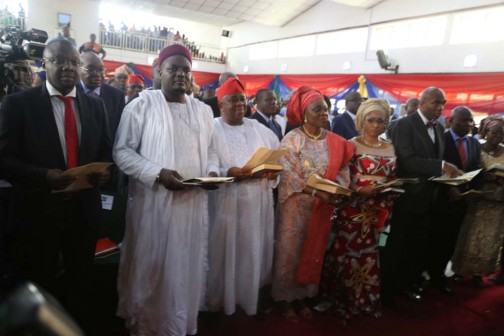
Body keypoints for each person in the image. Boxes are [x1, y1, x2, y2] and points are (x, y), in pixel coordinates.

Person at [0, 38, 111, 330]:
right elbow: (4, 159)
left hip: (83, 212)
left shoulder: (95, 106)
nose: (68, 67)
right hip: (37, 212)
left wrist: (104, 174)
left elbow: (104, 151)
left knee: (80, 283)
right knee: (40, 285)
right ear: (44, 64)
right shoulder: (18, 104)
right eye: (59, 61)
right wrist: (42, 176)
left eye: (74, 62)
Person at [113, 44, 218, 336]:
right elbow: (122, 152)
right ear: (159, 72)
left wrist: (211, 174)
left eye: (186, 69)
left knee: (185, 266)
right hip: (155, 203)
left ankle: (180, 324)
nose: (181, 74)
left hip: (192, 206)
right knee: (154, 265)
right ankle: (148, 326)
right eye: (173, 69)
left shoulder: (204, 111)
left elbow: (211, 152)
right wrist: (157, 174)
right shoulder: (141, 105)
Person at [272, 86, 354, 322]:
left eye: (326, 109)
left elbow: (342, 169)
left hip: (322, 207)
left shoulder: (334, 141)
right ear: (304, 113)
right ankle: (286, 299)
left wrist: (337, 189)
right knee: (291, 252)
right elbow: (287, 174)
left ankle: (305, 296)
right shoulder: (293, 139)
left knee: (315, 250)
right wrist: (316, 191)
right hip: (296, 207)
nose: (324, 113)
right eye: (317, 109)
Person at [381, 87, 462, 307]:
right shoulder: (404, 125)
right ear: (423, 102)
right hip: (407, 198)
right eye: (436, 102)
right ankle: (388, 290)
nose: (440, 107)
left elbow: (434, 160)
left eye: (443, 103)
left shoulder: (438, 128)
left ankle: (405, 283)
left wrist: (449, 180)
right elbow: (407, 161)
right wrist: (442, 166)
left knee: (416, 247)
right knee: (398, 246)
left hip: (430, 198)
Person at [207, 78, 279, 316]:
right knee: (223, 251)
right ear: (221, 104)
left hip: (257, 203)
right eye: (233, 99)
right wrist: (228, 172)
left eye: (242, 98)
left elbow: (277, 159)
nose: (240, 103)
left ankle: (247, 298)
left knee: (251, 250)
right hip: (226, 201)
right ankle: (218, 302)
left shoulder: (260, 129)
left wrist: (271, 173)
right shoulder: (211, 128)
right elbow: (208, 161)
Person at [322, 98, 397, 319]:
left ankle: (364, 299)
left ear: (386, 123)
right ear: (362, 121)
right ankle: (340, 298)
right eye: (370, 120)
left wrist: (389, 190)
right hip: (353, 207)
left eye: (380, 121)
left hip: (379, 208)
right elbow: (341, 175)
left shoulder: (391, 147)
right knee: (347, 251)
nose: (375, 125)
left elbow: (393, 176)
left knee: (369, 252)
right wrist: (357, 189)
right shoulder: (350, 145)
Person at [427, 106, 482, 294]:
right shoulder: (440, 138)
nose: (467, 124)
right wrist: (449, 187)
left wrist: (476, 187)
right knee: (435, 239)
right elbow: (433, 167)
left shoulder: (474, 143)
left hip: (464, 200)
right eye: (463, 120)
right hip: (440, 200)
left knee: (451, 240)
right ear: (451, 120)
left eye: (470, 121)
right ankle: (427, 274)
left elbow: (476, 168)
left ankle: (440, 274)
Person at [451, 117, 504, 286]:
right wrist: (483, 175)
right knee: (470, 236)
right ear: (485, 132)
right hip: (479, 199)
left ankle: (479, 273)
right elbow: (469, 170)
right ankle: (460, 270)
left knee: (489, 238)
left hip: (498, 201)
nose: (498, 136)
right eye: (494, 132)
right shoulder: (476, 148)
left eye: (501, 133)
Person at [78, 52, 125, 141]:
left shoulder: (116, 96)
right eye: (90, 69)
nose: (97, 74)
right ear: (78, 69)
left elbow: (119, 131)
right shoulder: (70, 91)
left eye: (101, 70)